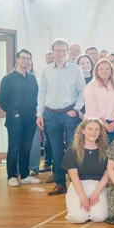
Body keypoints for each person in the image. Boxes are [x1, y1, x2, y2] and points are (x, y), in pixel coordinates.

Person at [37, 39, 87, 196]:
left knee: (72, 149)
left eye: (63, 50)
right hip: (50, 115)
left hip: (69, 114)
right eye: (57, 50)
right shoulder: (46, 70)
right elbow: (42, 93)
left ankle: (74, 183)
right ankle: (60, 183)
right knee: (56, 151)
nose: (61, 53)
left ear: (67, 52)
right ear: (52, 52)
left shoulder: (75, 69)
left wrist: (76, 109)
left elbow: (82, 92)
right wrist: (39, 113)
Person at [0, 49, 41, 186]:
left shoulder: (32, 78)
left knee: (26, 147)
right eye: (23, 58)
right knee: (14, 148)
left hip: (30, 118)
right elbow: (2, 100)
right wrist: (13, 113)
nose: (25, 60)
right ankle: (11, 176)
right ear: (17, 59)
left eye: (28, 58)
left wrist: (36, 112)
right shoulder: (8, 78)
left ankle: (24, 175)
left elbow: (36, 96)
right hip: (15, 119)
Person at [64, 119, 110, 222]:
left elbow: (107, 174)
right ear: (83, 131)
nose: (93, 132)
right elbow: (74, 177)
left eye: (96, 129)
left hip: (98, 186)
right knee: (78, 218)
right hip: (79, 186)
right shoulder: (72, 151)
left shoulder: (106, 151)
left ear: (100, 132)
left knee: (99, 217)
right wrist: (82, 196)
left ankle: (93, 210)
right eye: (89, 129)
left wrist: (96, 192)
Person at [83, 59, 114, 142]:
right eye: (101, 69)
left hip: (112, 125)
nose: (105, 71)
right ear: (96, 71)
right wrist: (105, 124)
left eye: (107, 69)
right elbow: (92, 109)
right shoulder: (91, 86)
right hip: (95, 125)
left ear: (111, 71)